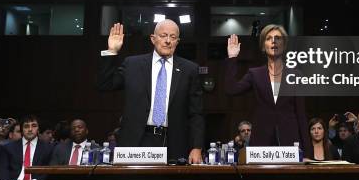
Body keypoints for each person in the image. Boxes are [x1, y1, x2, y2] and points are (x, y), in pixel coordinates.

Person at [98, 20, 204, 163]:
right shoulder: (132, 64)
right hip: (135, 141)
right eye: (163, 35)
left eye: (173, 37)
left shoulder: (189, 69)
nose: (168, 41)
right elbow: (105, 84)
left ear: (177, 42)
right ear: (153, 39)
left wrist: (197, 147)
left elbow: (196, 113)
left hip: (174, 142)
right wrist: (112, 51)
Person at [224, 25, 311, 157]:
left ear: (284, 44)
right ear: (263, 46)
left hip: (290, 141)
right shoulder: (255, 74)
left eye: (278, 38)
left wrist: (307, 152)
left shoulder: (296, 75)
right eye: (269, 38)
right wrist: (232, 58)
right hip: (261, 140)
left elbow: (301, 114)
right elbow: (231, 89)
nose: (274, 41)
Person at [0, 115, 53, 180]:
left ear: (38, 129)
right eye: (26, 126)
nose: (30, 129)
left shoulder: (48, 148)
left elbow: (49, 170)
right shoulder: (8, 147)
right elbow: (3, 167)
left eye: (34, 126)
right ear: (22, 129)